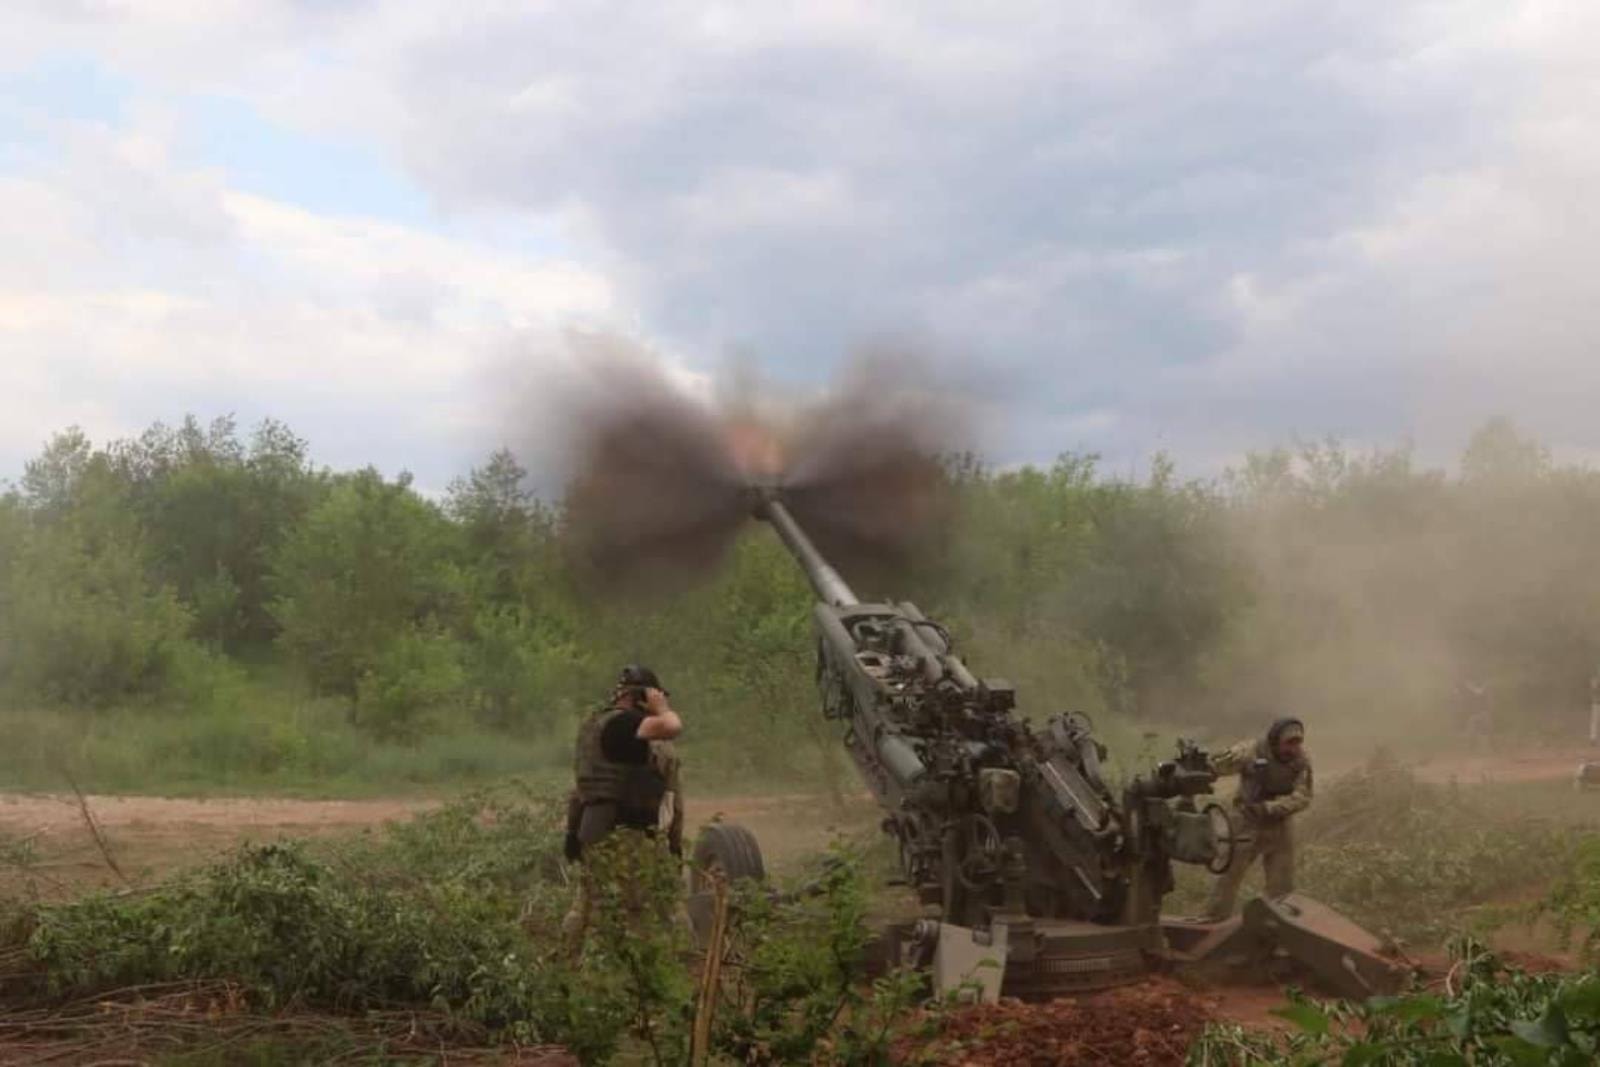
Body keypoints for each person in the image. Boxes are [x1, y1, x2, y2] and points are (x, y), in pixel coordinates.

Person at [561, 665, 684, 949]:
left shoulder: (593, 727)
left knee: (587, 906)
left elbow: (580, 790)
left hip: (592, 831)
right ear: (642, 697)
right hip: (627, 838)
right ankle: (619, 979)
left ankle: (568, 965)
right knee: (633, 916)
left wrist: (572, 833)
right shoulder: (626, 727)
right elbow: (673, 801)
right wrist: (662, 707)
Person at [1199, 716, 1313, 922]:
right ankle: (1213, 920)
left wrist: (1270, 808)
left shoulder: (1301, 761)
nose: (1294, 748)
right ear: (1275, 740)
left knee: (1282, 885)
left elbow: (1303, 796)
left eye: (1298, 742)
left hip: (1279, 824)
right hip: (1245, 821)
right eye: (1289, 743)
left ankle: (1277, 928)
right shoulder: (1250, 751)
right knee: (1228, 875)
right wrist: (1202, 771)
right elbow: (1217, 766)